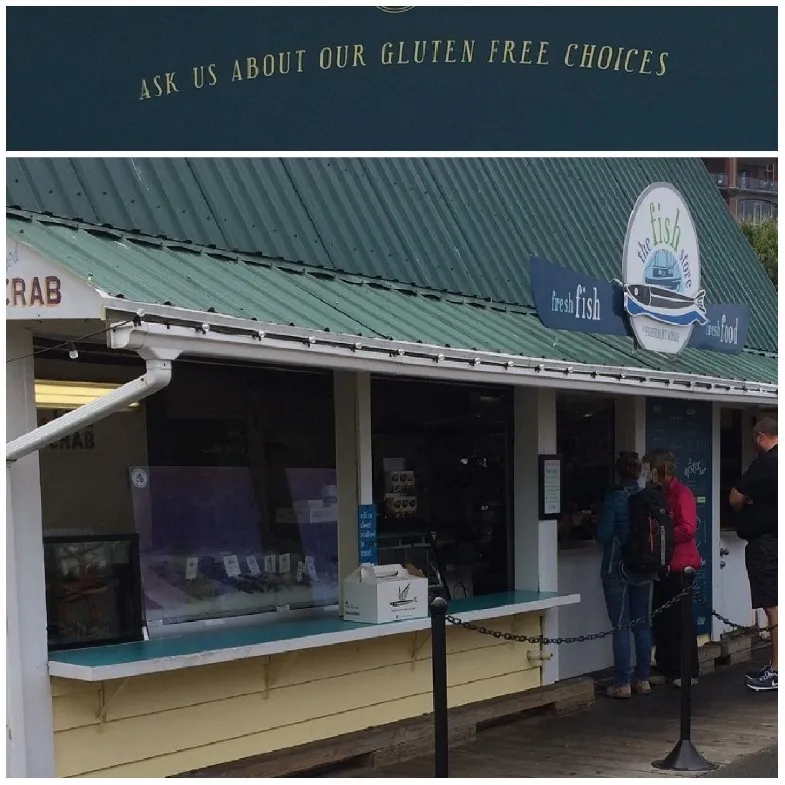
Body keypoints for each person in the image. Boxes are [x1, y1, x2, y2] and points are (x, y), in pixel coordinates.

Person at [597, 451, 652, 699]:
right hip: (642, 566)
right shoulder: (647, 497)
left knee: (620, 625)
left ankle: (622, 682)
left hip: (616, 565)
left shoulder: (614, 499)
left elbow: (604, 535)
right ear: (639, 472)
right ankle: (642, 678)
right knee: (642, 624)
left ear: (618, 471)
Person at [730, 416, 778, 692]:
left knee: (773, 607)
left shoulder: (767, 463)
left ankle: (776, 669)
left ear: (761, 436)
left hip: (766, 543)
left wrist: (748, 500)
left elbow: (735, 497)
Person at [647, 448, 702, 688]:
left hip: (681, 565)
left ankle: (687, 670)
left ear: (660, 470)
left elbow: (688, 527)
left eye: (650, 470)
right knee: (663, 619)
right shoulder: (660, 494)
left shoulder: (682, 493)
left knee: (681, 620)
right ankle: (667, 666)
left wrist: (663, 536)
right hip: (664, 565)